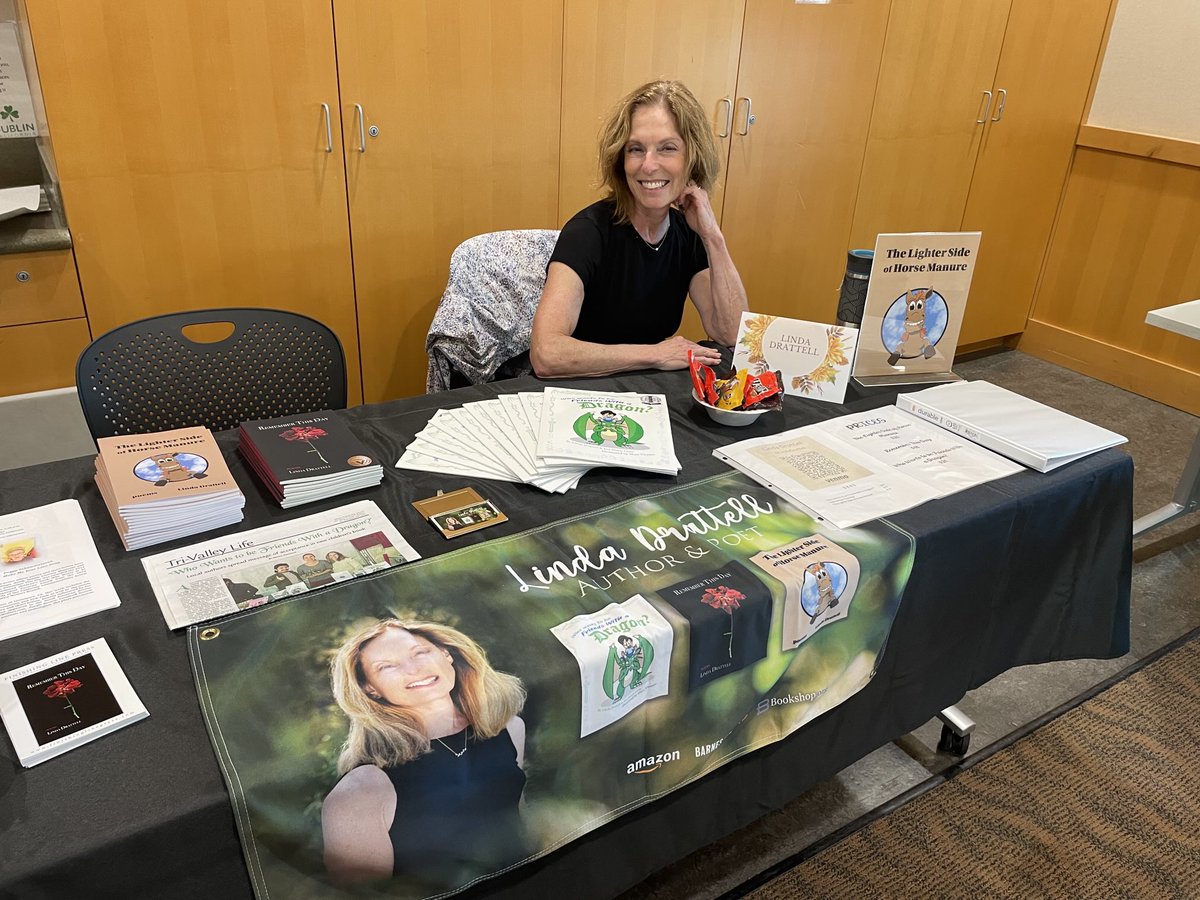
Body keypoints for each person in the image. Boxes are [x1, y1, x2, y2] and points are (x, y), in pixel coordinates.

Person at [530, 79, 749, 379]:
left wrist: (713, 236)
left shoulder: (689, 233)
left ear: (692, 158)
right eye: (636, 149)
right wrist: (656, 354)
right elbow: (547, 355)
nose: (648, 166)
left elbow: (731, 333)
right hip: (581, 387)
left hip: (647, 387)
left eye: (667, 148)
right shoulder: (587, 232)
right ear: (621, 160)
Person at [321, 620, 528, 888]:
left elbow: (517, 825)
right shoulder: (361, 790)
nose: (413, 669)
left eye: (419, 652)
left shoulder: (509, 728)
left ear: (446, 654)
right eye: (387, 666)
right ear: (369, 688)